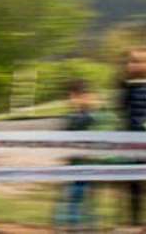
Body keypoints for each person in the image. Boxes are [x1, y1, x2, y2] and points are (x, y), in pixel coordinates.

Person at [118, 48, 146, 228]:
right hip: (130, 142)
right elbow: (121, 111)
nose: (130, 65)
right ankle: (134, 222)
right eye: (129, 62)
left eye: (135, 62)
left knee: (144, 182)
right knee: (132, 183)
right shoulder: (126, 87)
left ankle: (145, 222)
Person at [54, 79, 100, 229]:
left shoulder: (91, 116)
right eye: (72, 96)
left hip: (88, 165)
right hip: (73, 165)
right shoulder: (70, 117)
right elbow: (62, 138)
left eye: (77, 96)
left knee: (85, 201)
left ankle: (87, 228)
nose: (73, 99)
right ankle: (72, 228)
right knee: (73, 199)